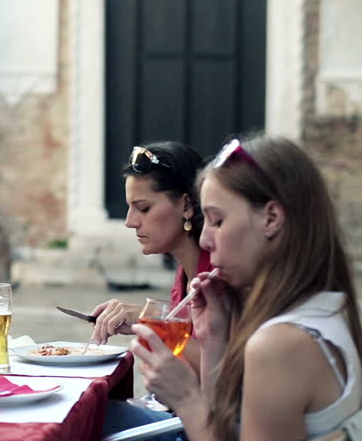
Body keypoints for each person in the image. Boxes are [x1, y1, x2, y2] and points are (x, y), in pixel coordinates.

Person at [132, 135, 361, 440]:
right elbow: (225, 429)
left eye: (217, 220)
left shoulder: (281, 344)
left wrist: (186, 398)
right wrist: (214, 343)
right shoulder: (326, 308)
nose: (205, 239)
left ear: (271, 218)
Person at [93, 141, 210, 437]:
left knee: (90, 417)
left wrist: (151, 324)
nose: (130, 222)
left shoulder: (215, 275)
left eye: (143, 208)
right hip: (178, 414)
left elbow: (227, 372)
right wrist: (147, 321)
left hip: (204, 428)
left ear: (187, 206)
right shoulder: (185, 270)